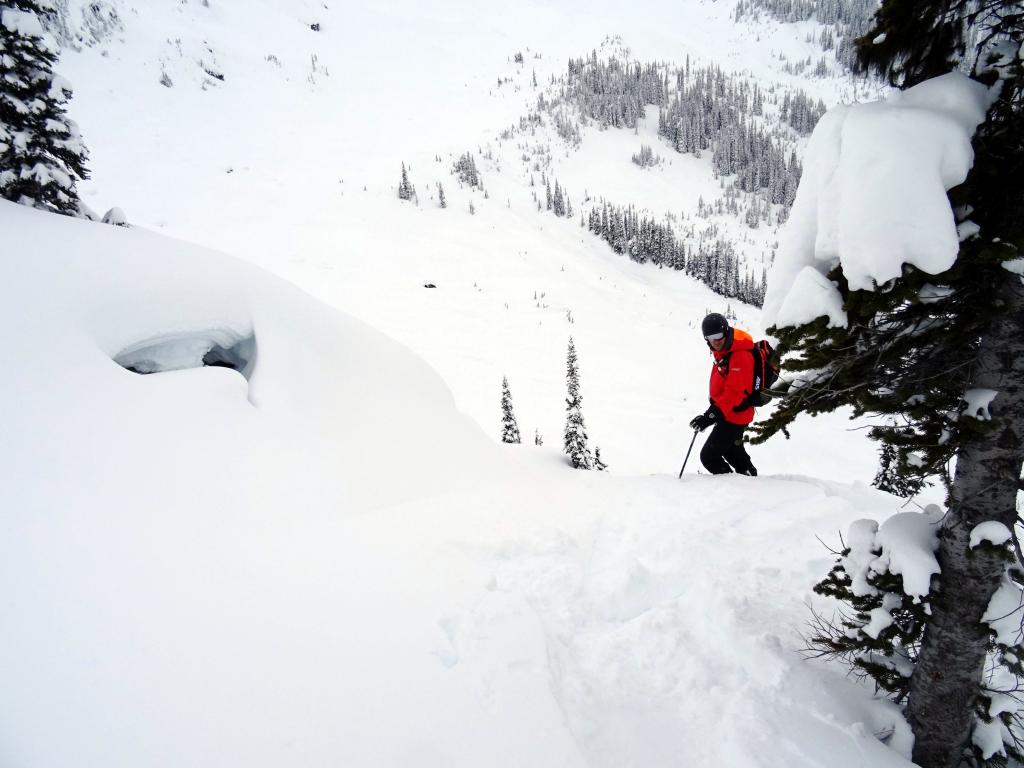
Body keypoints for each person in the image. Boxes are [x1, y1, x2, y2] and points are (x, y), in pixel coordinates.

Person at [689, 312, 758, 476]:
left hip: (735, 415)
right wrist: (714, 410)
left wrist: (710, 416)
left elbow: (734, 392)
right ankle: (750, 480)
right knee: (733, 452)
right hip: (728, 412)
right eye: (711, 338)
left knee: (709, 456)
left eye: (718, 336)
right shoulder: (724, 350)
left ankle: (732, 486)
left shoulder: (740, 355)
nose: (716, 341)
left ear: (726, 331)